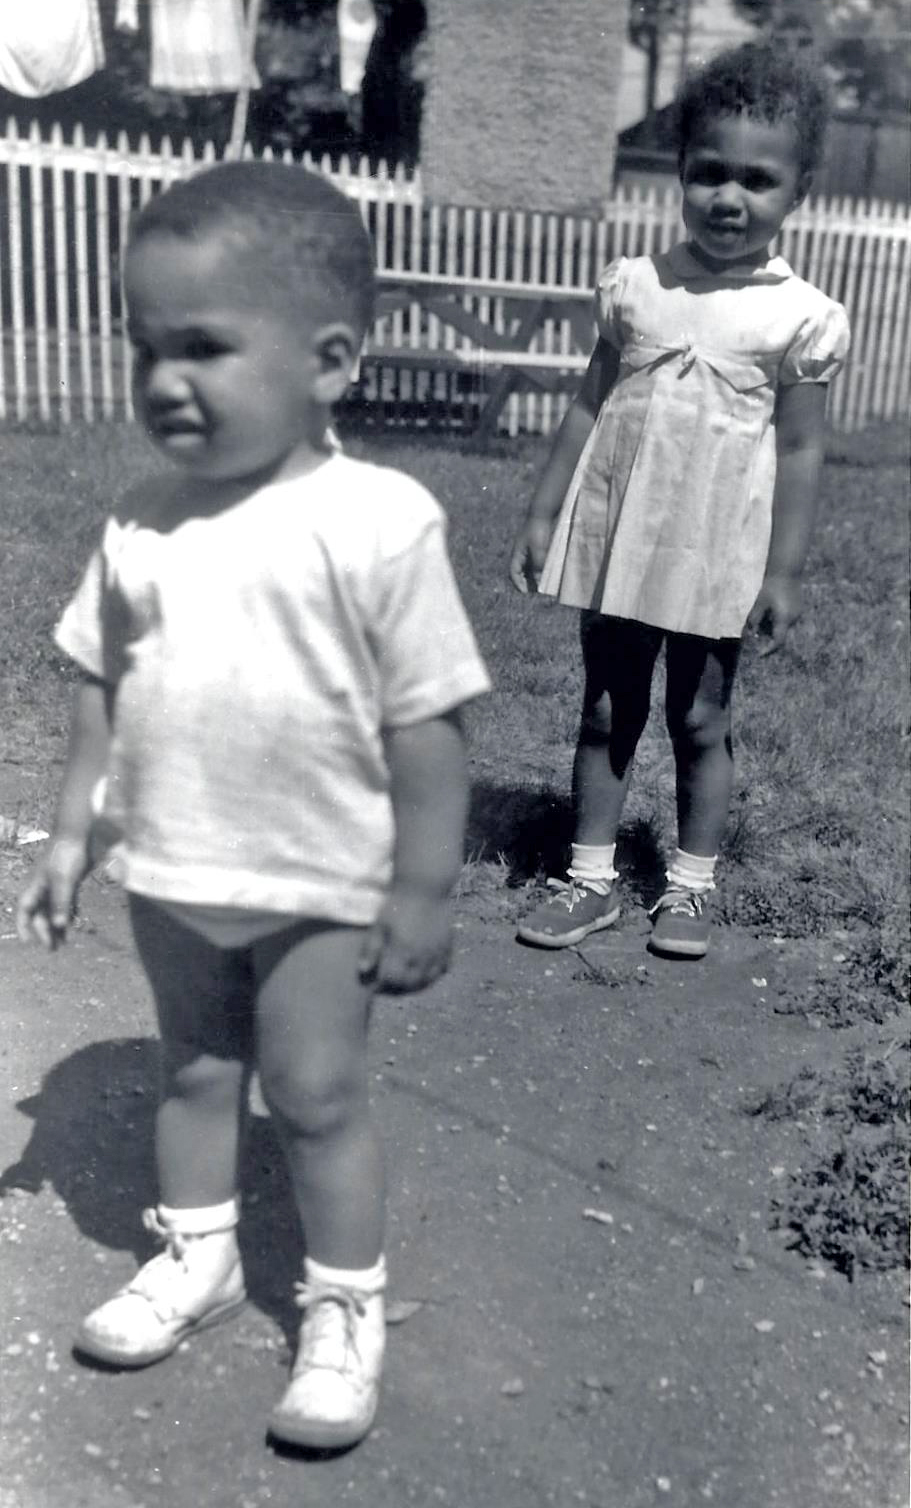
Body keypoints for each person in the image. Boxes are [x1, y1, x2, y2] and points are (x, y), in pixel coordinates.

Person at [17, 161, 490, 1451]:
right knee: (195, 1069)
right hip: (175, 867)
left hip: (319, 881)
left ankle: (343, 1303)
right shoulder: (139, 522)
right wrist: (71, 833)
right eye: (145, 345)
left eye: (207, 347)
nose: (167, 377)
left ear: (329, 360)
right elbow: (104, 687)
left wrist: (420, 887)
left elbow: (428, 720)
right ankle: (201, 1254)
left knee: (318, 1091)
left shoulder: (377, 522)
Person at [509, 41, 849, 960]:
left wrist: (781, 571)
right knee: (606, 710)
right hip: (620, 538)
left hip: (714, 552)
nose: (728, 199)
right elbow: (586, 406)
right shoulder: (636, 287)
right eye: (707, 174)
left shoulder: (799, 318)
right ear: (678, 172)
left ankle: (689, 889)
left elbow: (803, 446)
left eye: (757, 181)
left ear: (797, 191)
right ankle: (589, 880)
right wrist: (545, 514)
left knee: (698, 716)